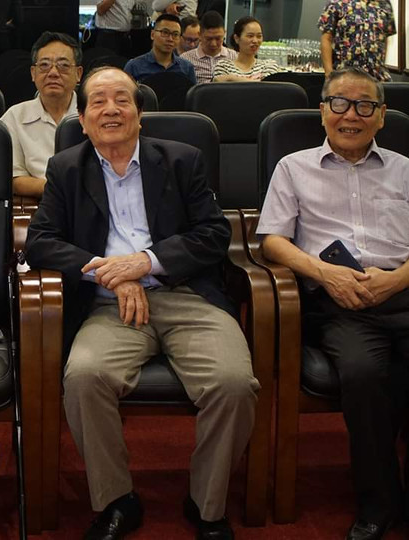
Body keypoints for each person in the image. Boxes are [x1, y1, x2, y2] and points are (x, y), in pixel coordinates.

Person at [25, 66, 258, 540]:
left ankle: (207, 504)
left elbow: (214, 234)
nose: (110, 109)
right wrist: (107, 270)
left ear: (139, 113)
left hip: (187, 296)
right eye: (98, 102)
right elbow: (40, 242)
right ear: (83, 119)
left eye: (122, 99)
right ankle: (116, 500)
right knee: (85, 378)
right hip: (108, 306)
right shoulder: (67, 168)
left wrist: (146, 262)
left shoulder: (182, 159)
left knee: (234, 384)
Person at [257, 67, 409, 540]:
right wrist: (325, 273)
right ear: (323, 111)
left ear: (381, 116)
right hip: (340, 301)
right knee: (363, 374)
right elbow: (272, 241)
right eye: (340, 104)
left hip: (402, 288)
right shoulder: (293, 167)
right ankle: (380, 503)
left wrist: (396, 279)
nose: (351, 115)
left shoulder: (405, 169)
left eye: (365, 105)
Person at [0, 31, 81, 198]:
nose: (53, 73)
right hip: (37, 202)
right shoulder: (15, 116)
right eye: (44, 65)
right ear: (33, 73)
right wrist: (59, 189)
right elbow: (12, 178)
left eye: (63, 65)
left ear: (78, 74)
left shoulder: (93, 114)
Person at [319, 0, 395, 82]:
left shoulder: (385, 4)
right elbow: (326, 38)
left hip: (376, 79)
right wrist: (329, 74)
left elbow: (384, 39)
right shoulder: (336, 3)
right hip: (343, 78)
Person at [124, 14, 197, 85]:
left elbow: (192, 92)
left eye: (175, 34)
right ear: (152, 34)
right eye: (165, 32)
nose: (170, 39)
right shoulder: (134, 66)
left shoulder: (187, 67)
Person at [213, 16, 280, 82]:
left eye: (259, 36)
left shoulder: (268, 65)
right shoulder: (223, 66)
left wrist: (231, 78)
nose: (255, 41)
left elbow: (267, 86)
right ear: (237, 38)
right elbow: (220, 85)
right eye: (250, 36)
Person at [180, 10, 236, 84]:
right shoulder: (185, 59)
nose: (213, 44)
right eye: (208, 39)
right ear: (200, 35)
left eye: (218, 38)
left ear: (224, 33)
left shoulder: (234, 57)